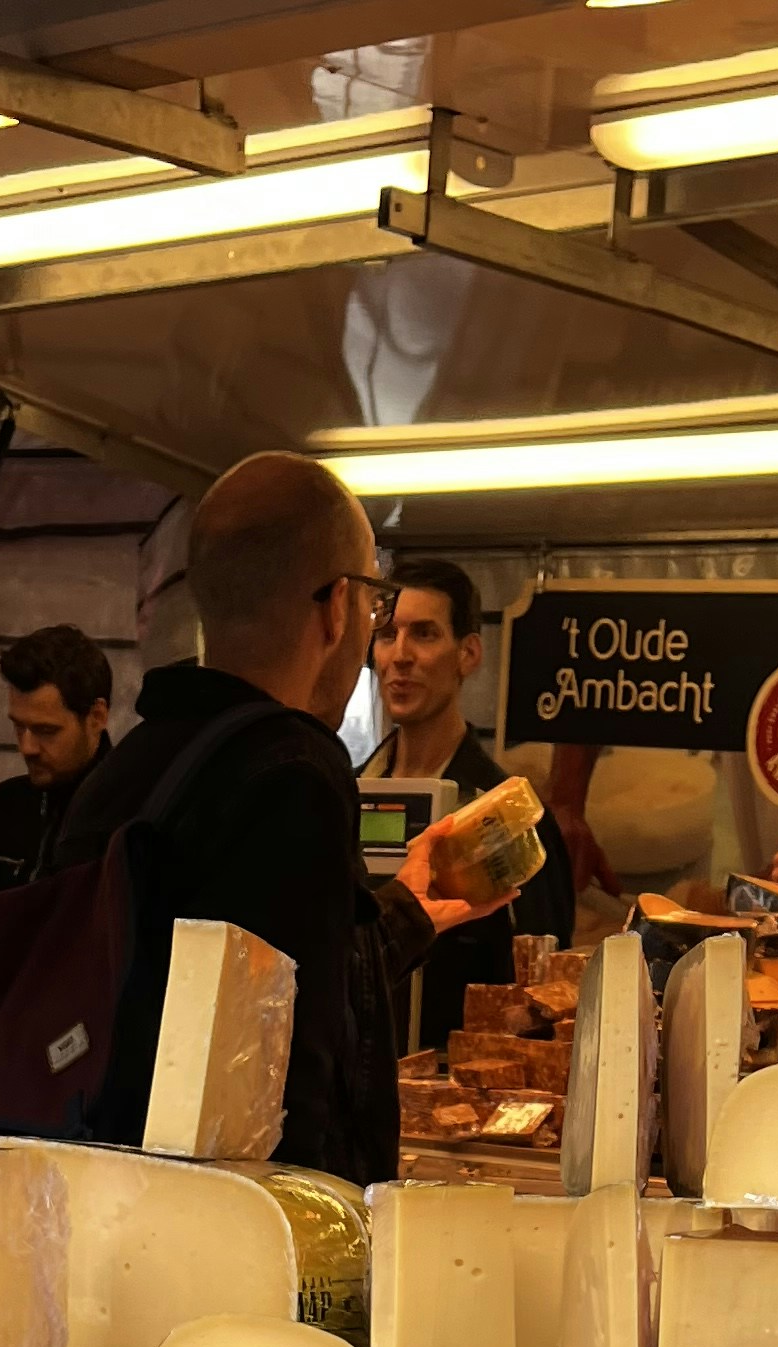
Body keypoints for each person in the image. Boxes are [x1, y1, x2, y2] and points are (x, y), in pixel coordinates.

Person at [42, 452, 482, 1186]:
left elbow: (265, 983)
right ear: (337, 607)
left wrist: (405, 915)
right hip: (228, 1242)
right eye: (377, 607)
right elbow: (298, 1074)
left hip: (97, 1199)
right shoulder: (295, 772)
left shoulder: (129, 765)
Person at [363, 559, 577, 1051]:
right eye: (388, 635)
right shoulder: (347, 799)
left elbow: (548, 995)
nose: (401, 655)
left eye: (424, 634)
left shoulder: (513, 822)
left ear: (469, 653)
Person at [0, 620, 113, 906]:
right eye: (18, 727)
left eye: (46, 731)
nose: (27, 747)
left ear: (97, 717)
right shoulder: (1, 807)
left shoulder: (129, 816)